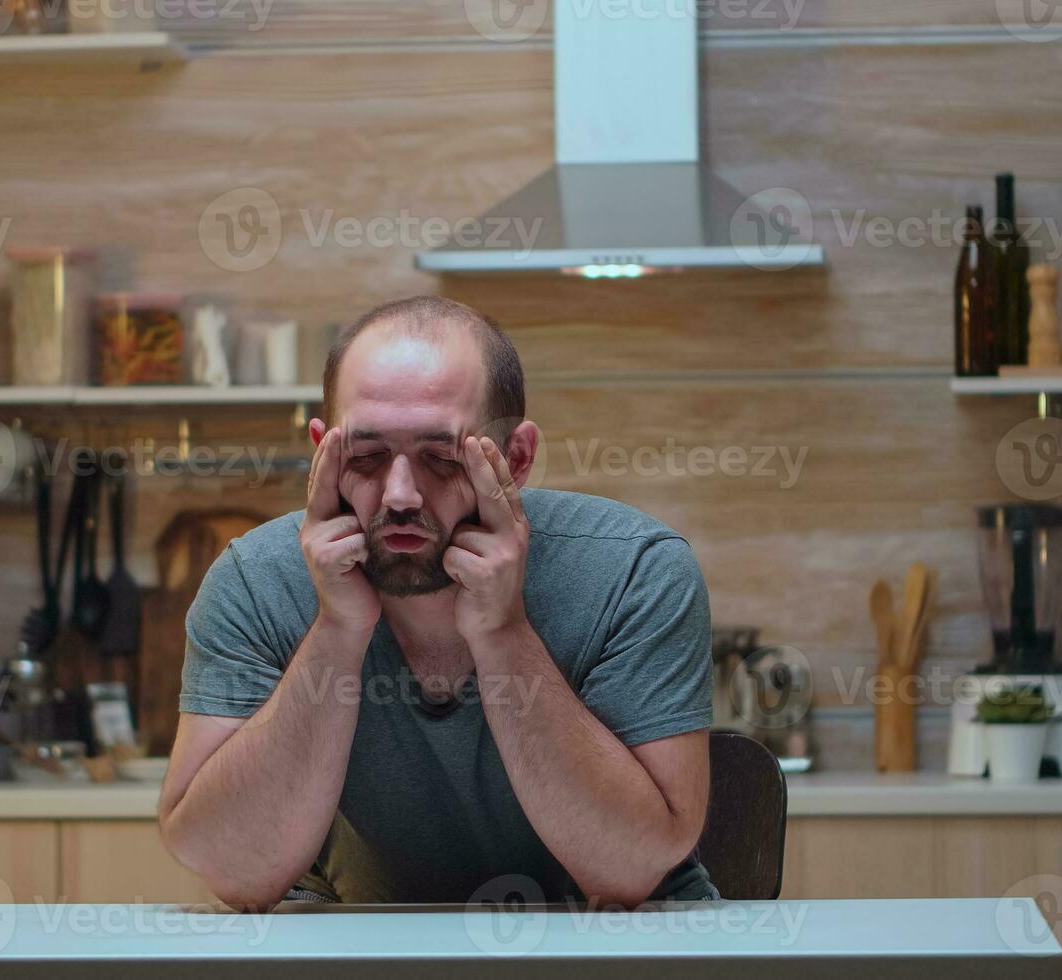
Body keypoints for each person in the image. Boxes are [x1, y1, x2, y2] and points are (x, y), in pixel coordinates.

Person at [158, 296, 715, 909]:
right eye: (365, 457)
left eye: (441, 458)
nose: (399, 494)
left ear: (518, 458)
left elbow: (628, 871)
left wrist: (503, 632)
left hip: (624, 948)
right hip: (363, 945)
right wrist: (338, 629)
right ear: (323, 453)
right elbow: (232, 871)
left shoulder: (635, 570)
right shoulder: (254, 580)